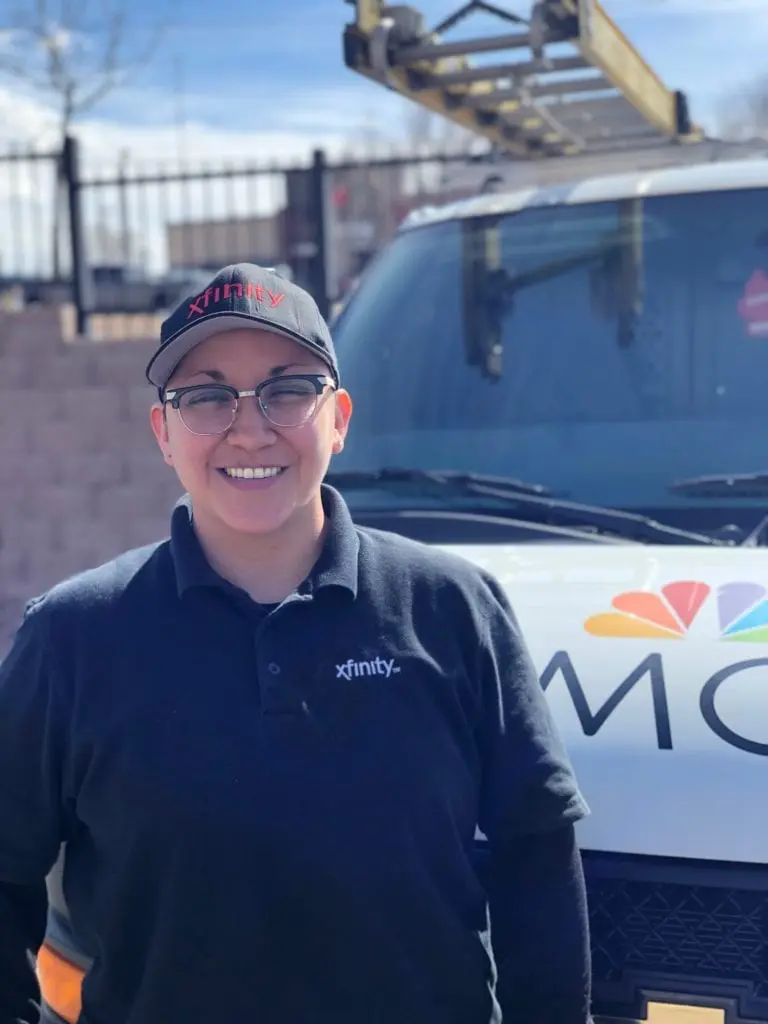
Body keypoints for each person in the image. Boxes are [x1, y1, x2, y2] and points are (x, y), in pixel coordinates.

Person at [0, 263, 593, 1024]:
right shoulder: (72, 636)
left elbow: (537, 858)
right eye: (207, 396)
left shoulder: (454, 610)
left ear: (339, 417)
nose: (250, 427)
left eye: (287, 390)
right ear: (164, 432)